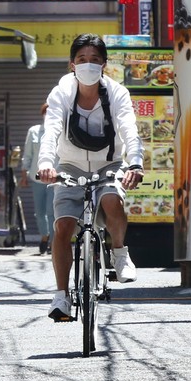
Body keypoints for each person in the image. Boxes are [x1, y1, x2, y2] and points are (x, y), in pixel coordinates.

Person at [36, 33, 144, 322]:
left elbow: (129, 130)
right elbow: (52, 132)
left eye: (95, 60)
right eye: (82, 59)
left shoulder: (118, 93)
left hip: (109, 164)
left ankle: (120, 254)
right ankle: (60, 296)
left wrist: (135, 163)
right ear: (72, 64)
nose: (88, 65)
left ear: (104, 65)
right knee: (63, 227)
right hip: (69, 165)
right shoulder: (61, 93)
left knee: (112, 201)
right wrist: (47, 163)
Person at [21, 103, 55, 254]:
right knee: (39, 212)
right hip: (36, 177)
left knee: (52, 211)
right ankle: (44, 236)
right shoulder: (33, 131)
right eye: (46, 112)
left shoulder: (61, 133)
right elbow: (27, 155)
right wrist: (24, 174)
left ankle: (54, 242)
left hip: (55, 180)